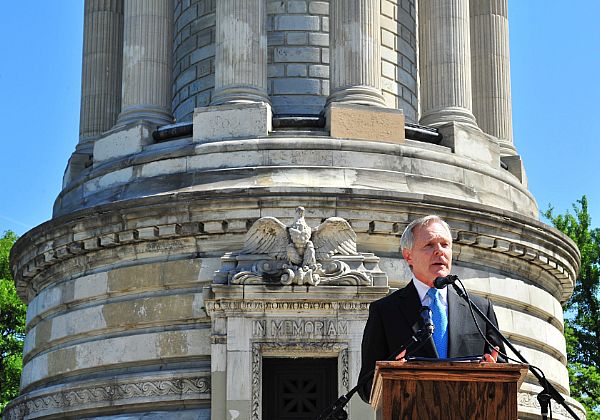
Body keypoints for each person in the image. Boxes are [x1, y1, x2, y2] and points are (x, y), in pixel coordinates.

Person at [357, 215, 505, 403]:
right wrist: (389, 374)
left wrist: (493, 373)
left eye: (445, 244)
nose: (439, 251)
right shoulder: (385, 311)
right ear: (408, 255)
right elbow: (365, 387)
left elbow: (503, 371)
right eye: (429, 245)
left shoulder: (479, 309)